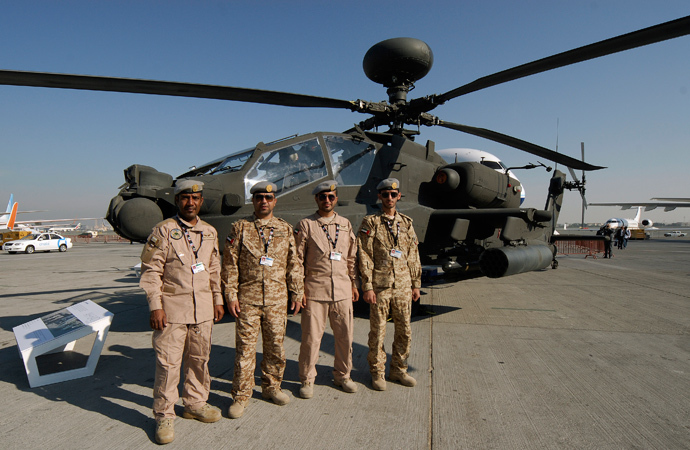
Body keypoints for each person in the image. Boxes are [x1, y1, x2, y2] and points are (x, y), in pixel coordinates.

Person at [139, 180, 225, 445]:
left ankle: (195, 403)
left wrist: (218, 300)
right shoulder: (163, 230)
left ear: (201, 201)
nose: (191, 202)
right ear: (177, 201)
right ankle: (164, 414)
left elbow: (213, 269)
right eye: (185, 198)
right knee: (168, 364)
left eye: (195, 198)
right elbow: (151, 271)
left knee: (199, 360)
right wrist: (156, 306)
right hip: (173, 311)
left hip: (203, 311)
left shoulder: (209, 232)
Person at [221, 181, 304, 419]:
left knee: (275, 348)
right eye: (259, 198)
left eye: (268, 198)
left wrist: (297, 292)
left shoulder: (285, 229)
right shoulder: (240, 228)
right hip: (248, 299)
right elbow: (230, 264)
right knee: (245, 350)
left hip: (277, 300)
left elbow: (294, 264)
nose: (264, 202)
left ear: (274, 201)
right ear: (254, 201)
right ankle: (241, 395)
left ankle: (271, 387)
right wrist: (230, 294)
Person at [294, 180, 359, 399]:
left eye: (331, 196)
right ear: (316, 199)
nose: (327, 200)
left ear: (336, 198)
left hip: (342, 290)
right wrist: (298, 290)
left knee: (345, 337)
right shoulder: (306, 225)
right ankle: (307, 379)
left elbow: (351, 257)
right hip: (315, 291)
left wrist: (354, 282)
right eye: (323, 197)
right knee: (311, 339)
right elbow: (297, 260)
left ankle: (343, 376)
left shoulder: (345, 224)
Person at [357, 178, 422, 391]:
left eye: (394, 194)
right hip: (381, 286)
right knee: (378, 332)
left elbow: (413, 255)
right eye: (385, 194)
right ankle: (377, 372)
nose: (390, 198)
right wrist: (367, 286)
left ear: (399, 196)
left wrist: (415, 283)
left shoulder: (406, 223)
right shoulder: (370, 223)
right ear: (380, 197)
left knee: (405, 330)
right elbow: (364, 255)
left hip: (403, 285)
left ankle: (399, 370)